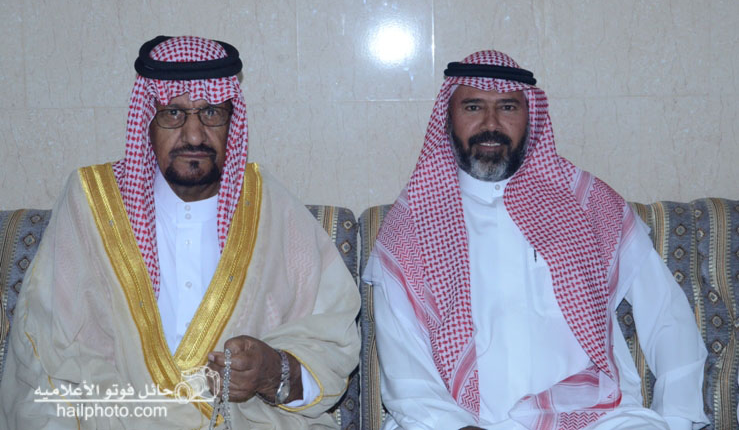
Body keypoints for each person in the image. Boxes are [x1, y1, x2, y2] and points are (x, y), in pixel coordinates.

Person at [0, 35, 360, 428]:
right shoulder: (93, 202)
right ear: (147, 121)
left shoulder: (271, 207)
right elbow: (48, 349)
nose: (194, 135)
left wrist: (273, 372)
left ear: (232, 121)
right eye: (173, 113)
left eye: (211, 113)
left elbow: (330, 336)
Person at [363, 50, 708, 430]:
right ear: (448, 117)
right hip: (463, 422)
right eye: (473, 107)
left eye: (508, 107)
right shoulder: (412, 224)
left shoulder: (589, 204)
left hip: (596, 417)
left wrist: (677, 417)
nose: (490, 124)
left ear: (530, 116)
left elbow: (666, 314)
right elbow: (404, 367)